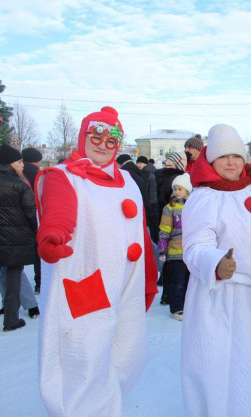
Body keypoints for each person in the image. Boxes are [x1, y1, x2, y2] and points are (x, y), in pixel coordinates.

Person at [35, 106, 158, 416]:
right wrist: (52, 237)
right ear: (83, 136)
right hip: (85, 284)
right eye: (96, 135)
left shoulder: (129, 181)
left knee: (126, 355)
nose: (103, 144)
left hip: (125, 287)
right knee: (84, 360)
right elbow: (58, 213)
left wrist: (147, 278)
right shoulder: (64, 176)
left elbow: (141, 234)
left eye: (112, 139)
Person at [181, 124, 251, 416]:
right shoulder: (204, 198)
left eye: (236, 156)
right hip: (226, 299)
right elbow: (194, 248)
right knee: (227, 373)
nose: (231, 162)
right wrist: (216, 263)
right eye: (223, 156)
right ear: (211, 160)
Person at [0, 143, 38, 332]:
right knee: (14, 276)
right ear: (9, 163)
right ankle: (11, 319)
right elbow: (32, 213)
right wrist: (35, 233)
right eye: (19, 161)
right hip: (15, 239)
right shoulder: (19, 185)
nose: (22, 165)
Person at [159, 173, 191, 321]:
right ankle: (176, 308)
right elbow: (164, 230)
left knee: (188, 281)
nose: (177, 192)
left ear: (188, 190)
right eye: (175, 189)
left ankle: (187, 306)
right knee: (177, 281)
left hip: (190, 252)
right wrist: (162, 248)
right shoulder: (169, 208)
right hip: (175, 252)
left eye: (180, 189)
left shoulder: (193, 206)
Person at [22, 146, 43, 293]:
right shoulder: (39, 175)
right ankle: (39, 282)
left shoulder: (16, 172)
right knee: (38, 251)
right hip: (35, 215)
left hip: (17, 218)